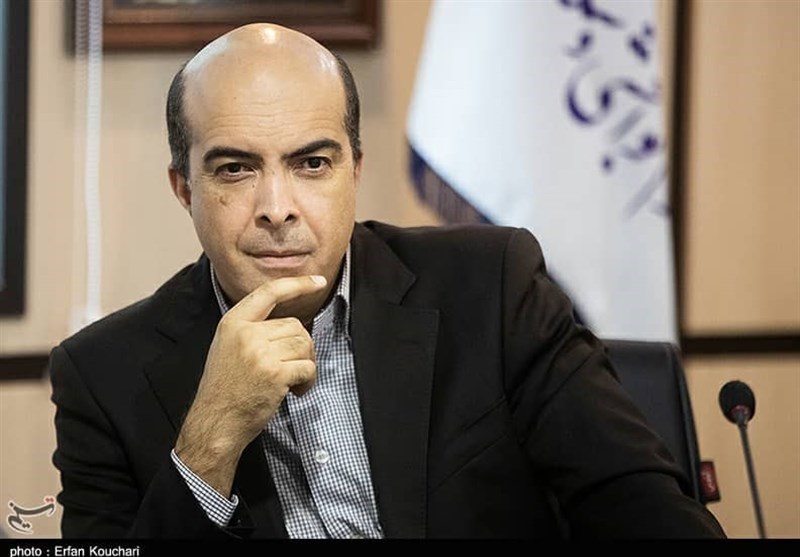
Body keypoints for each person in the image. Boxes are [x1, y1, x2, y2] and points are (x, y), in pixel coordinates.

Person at [48, 22, 726, 540]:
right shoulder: (102, 376)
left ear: (355, 170)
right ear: (184, 189)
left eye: (312, 164)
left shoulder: (491, 290)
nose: (277, 207)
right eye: (235, 169)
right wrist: (209, 442)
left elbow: (643, 509)